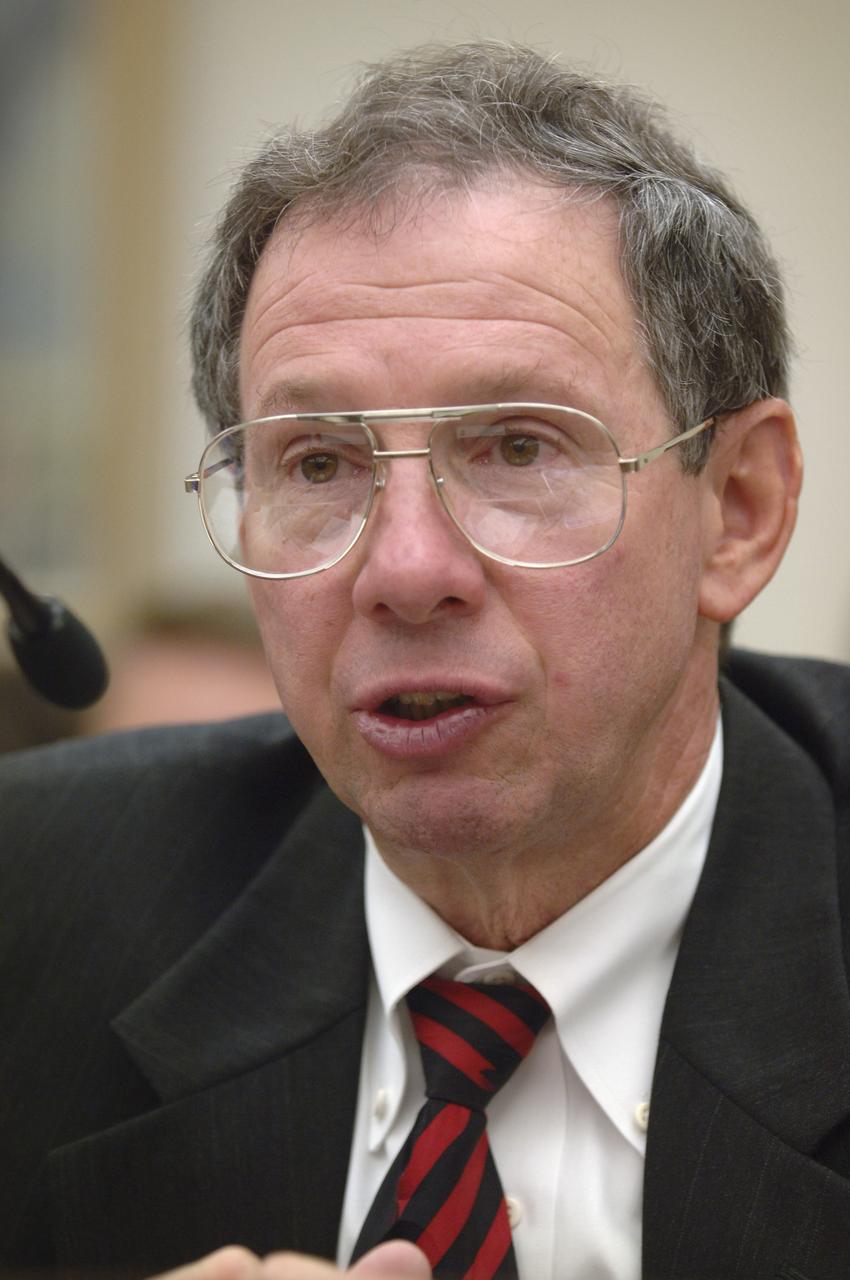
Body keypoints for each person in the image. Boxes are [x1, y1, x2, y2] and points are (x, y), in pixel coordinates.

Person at [2, 40, 849, 1280]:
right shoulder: (32, 902)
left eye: (516, 446)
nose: (403, 569)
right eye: (317, 462)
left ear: (737, 507)